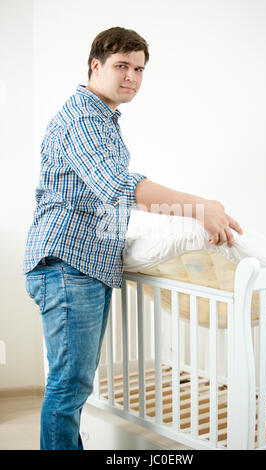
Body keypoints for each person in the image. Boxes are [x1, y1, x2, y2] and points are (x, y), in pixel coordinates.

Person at [23, 26, 243, 450]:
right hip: (67, 265)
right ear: (96, 65)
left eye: (139, 69)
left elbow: (103, 202)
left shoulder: (102, 118)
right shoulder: (83, 117)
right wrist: (202, 208)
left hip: (81, 266)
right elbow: (118, 187)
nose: (132, 77)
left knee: (72, 384)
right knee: (69, 388)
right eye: (122, 65)